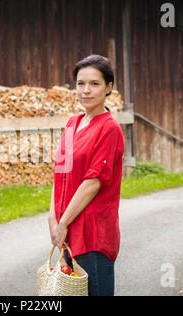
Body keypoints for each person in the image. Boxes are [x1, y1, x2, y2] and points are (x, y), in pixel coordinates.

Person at [48, 54, 124, 296]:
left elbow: (92, 183)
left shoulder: (109, 128)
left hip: (92, 235)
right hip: (67, 230)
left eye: (94, 83)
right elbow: (60, 172)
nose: (86, 90)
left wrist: (64, 221)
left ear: (108, 87)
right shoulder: (72, 123)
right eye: (81, 83)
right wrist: (53, 218)